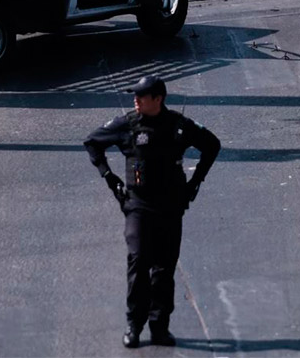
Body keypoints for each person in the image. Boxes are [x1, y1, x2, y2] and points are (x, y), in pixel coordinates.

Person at [84, 76, 221, 348]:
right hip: (138, 205)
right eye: (134, 95)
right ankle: (134, 325)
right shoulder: (128, 124)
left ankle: (159, 326)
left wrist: (195, 184)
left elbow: (212, 145)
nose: (135, 99)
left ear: (158, 99)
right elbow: (92, 142)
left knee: (164, 268)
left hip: (170, 205)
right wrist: (110, 178)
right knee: (138, 261)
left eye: (141, 95)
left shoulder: (178, 126)